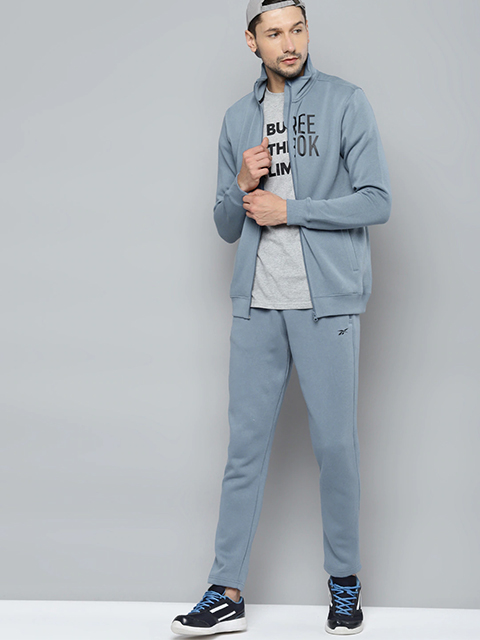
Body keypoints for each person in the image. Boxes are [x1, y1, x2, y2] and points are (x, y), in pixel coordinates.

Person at [171, 0, 392, 635]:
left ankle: (344, 583)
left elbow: (376, 201)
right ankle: (226, 591)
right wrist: (241, 183)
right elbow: (225, 226)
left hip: (327, 304)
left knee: (336, 447)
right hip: (258, 304)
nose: (289, 43)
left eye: (297, 29)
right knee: (243, 451)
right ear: (252, 42)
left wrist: (291, 211)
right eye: (274, 33)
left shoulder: (346, 101)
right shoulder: (237, 118)